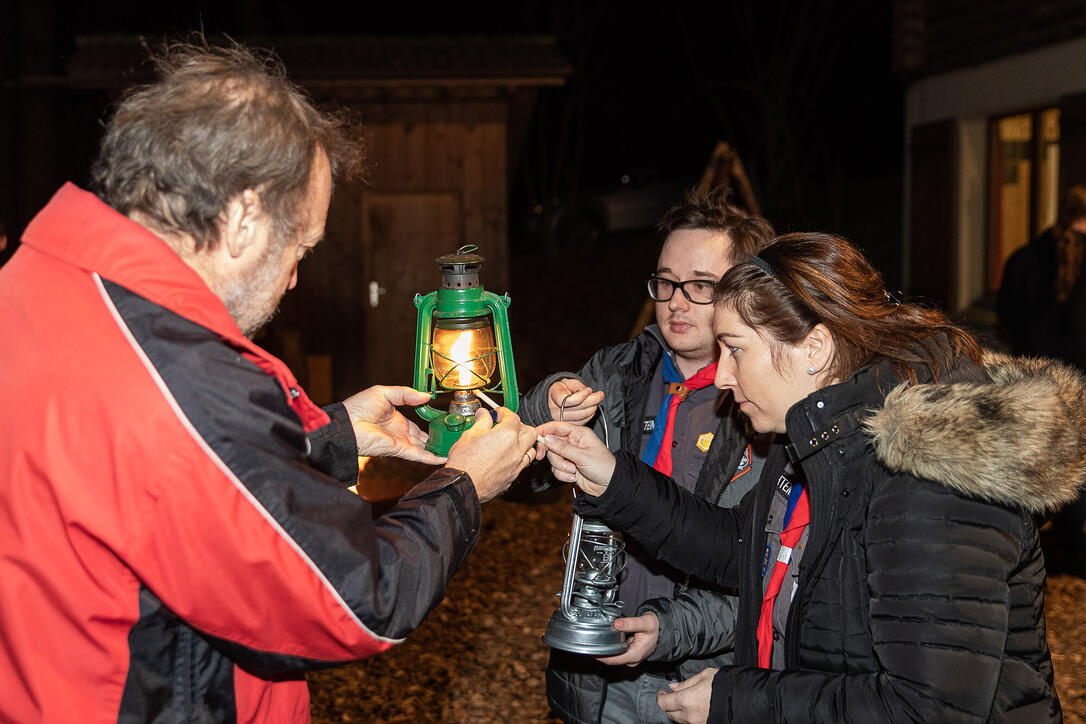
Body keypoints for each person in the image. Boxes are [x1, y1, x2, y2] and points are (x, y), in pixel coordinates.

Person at [0, 41, 540, 722]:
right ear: (243, 218)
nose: (293, 278)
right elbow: (354, 600)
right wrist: (462, 486)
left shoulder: (40, 284)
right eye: (300, 246)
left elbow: (153, 480)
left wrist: (332, 436)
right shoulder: (179, 373)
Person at [541, 232, 1082, 723]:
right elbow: (739, 547)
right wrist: (610, 475)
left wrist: (736, 699)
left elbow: (926, 709)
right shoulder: (813, 437)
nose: (723, 377)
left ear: (815, 349)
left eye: (736, 349)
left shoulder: (929, 473)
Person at [518, 186, 775, 724]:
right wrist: (549, 402)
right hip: (593, 673)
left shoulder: (765, 406)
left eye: (701, 286)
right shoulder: (615, 370)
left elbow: (762, 575)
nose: (676, 301)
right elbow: (523, 474)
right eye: (666, 281)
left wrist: (668, 631)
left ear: (746, 294)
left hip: (697, 680)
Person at [998, 184, 1086, 576]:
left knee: (1047, 458)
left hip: (1037, 381)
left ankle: (1043, 539)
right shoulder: (1032, 260)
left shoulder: (1023, 258)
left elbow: (1007, 318)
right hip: (1080, 380)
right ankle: (1073, 545)